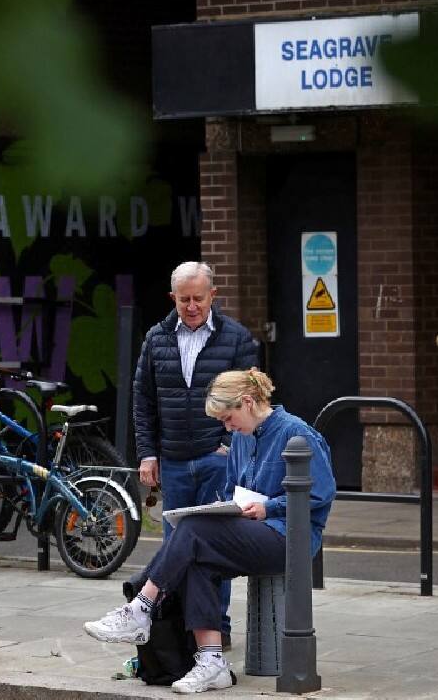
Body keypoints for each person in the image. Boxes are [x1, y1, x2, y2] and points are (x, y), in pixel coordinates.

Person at [84, 368, 335, 694]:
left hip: (290, 537)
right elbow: (234, 490)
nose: (227, 427)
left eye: (229, 418)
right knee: (196, 560)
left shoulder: (297, 434)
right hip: (254, 532)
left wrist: (268, 507)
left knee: (193, 530)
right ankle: (211, 661)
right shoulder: (242, 439)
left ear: (248, 402)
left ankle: (141, 608)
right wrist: (227, 508)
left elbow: (321, 493)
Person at [132, 261, 258, 647]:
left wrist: (235, 451)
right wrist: (148, 454)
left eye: (198, 299)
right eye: (183, 299)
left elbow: (254, 401)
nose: (191, 306)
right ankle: (183, 631)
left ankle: (216, 630)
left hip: (216, 458)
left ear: (212, 296)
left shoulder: (236, 338)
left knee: (213, 551)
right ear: (173, 298)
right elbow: (144, 400)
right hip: (172, 461)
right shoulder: (155, 339)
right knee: (176, 550)